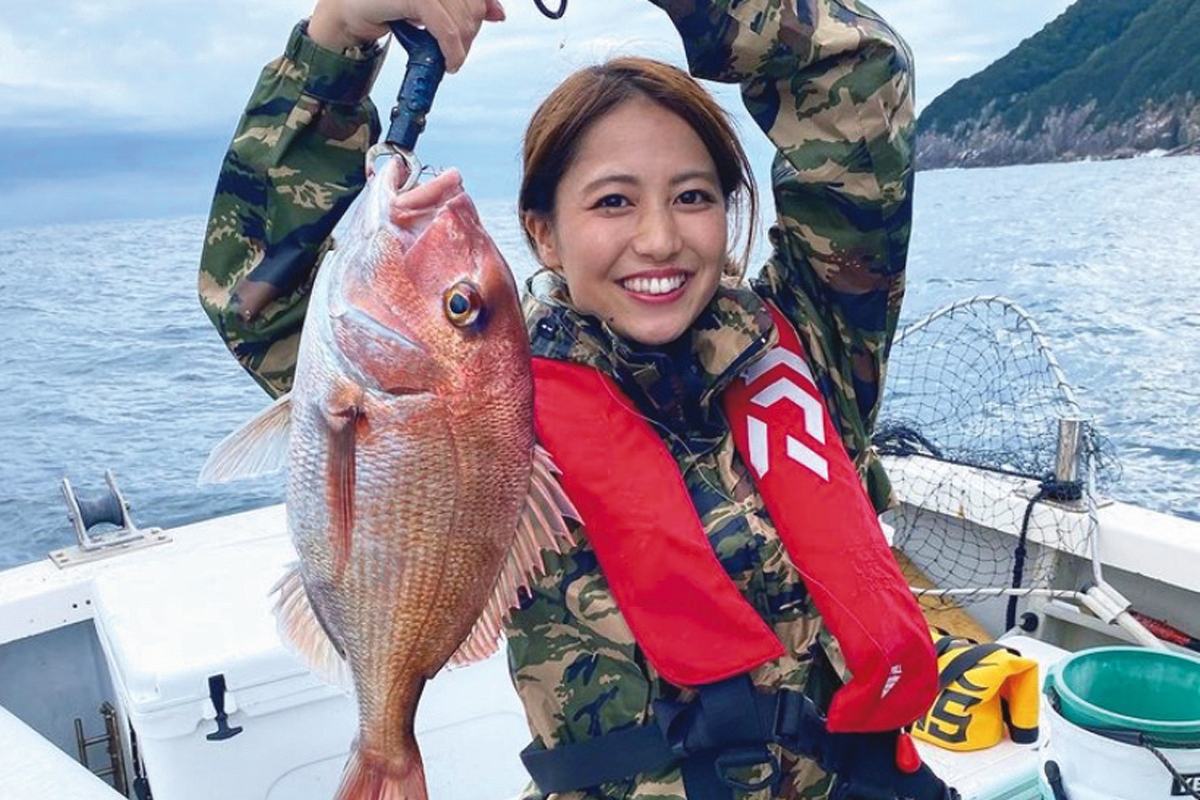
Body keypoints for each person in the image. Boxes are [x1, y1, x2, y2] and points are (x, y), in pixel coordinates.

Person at [198, 1, 953, 798]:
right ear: (545, 235)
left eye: (693, 197)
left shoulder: (818, 337)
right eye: (613, 202)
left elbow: (860, 71)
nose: (660, 239)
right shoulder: (485, 398)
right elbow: (257, 297)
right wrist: (343, 32)